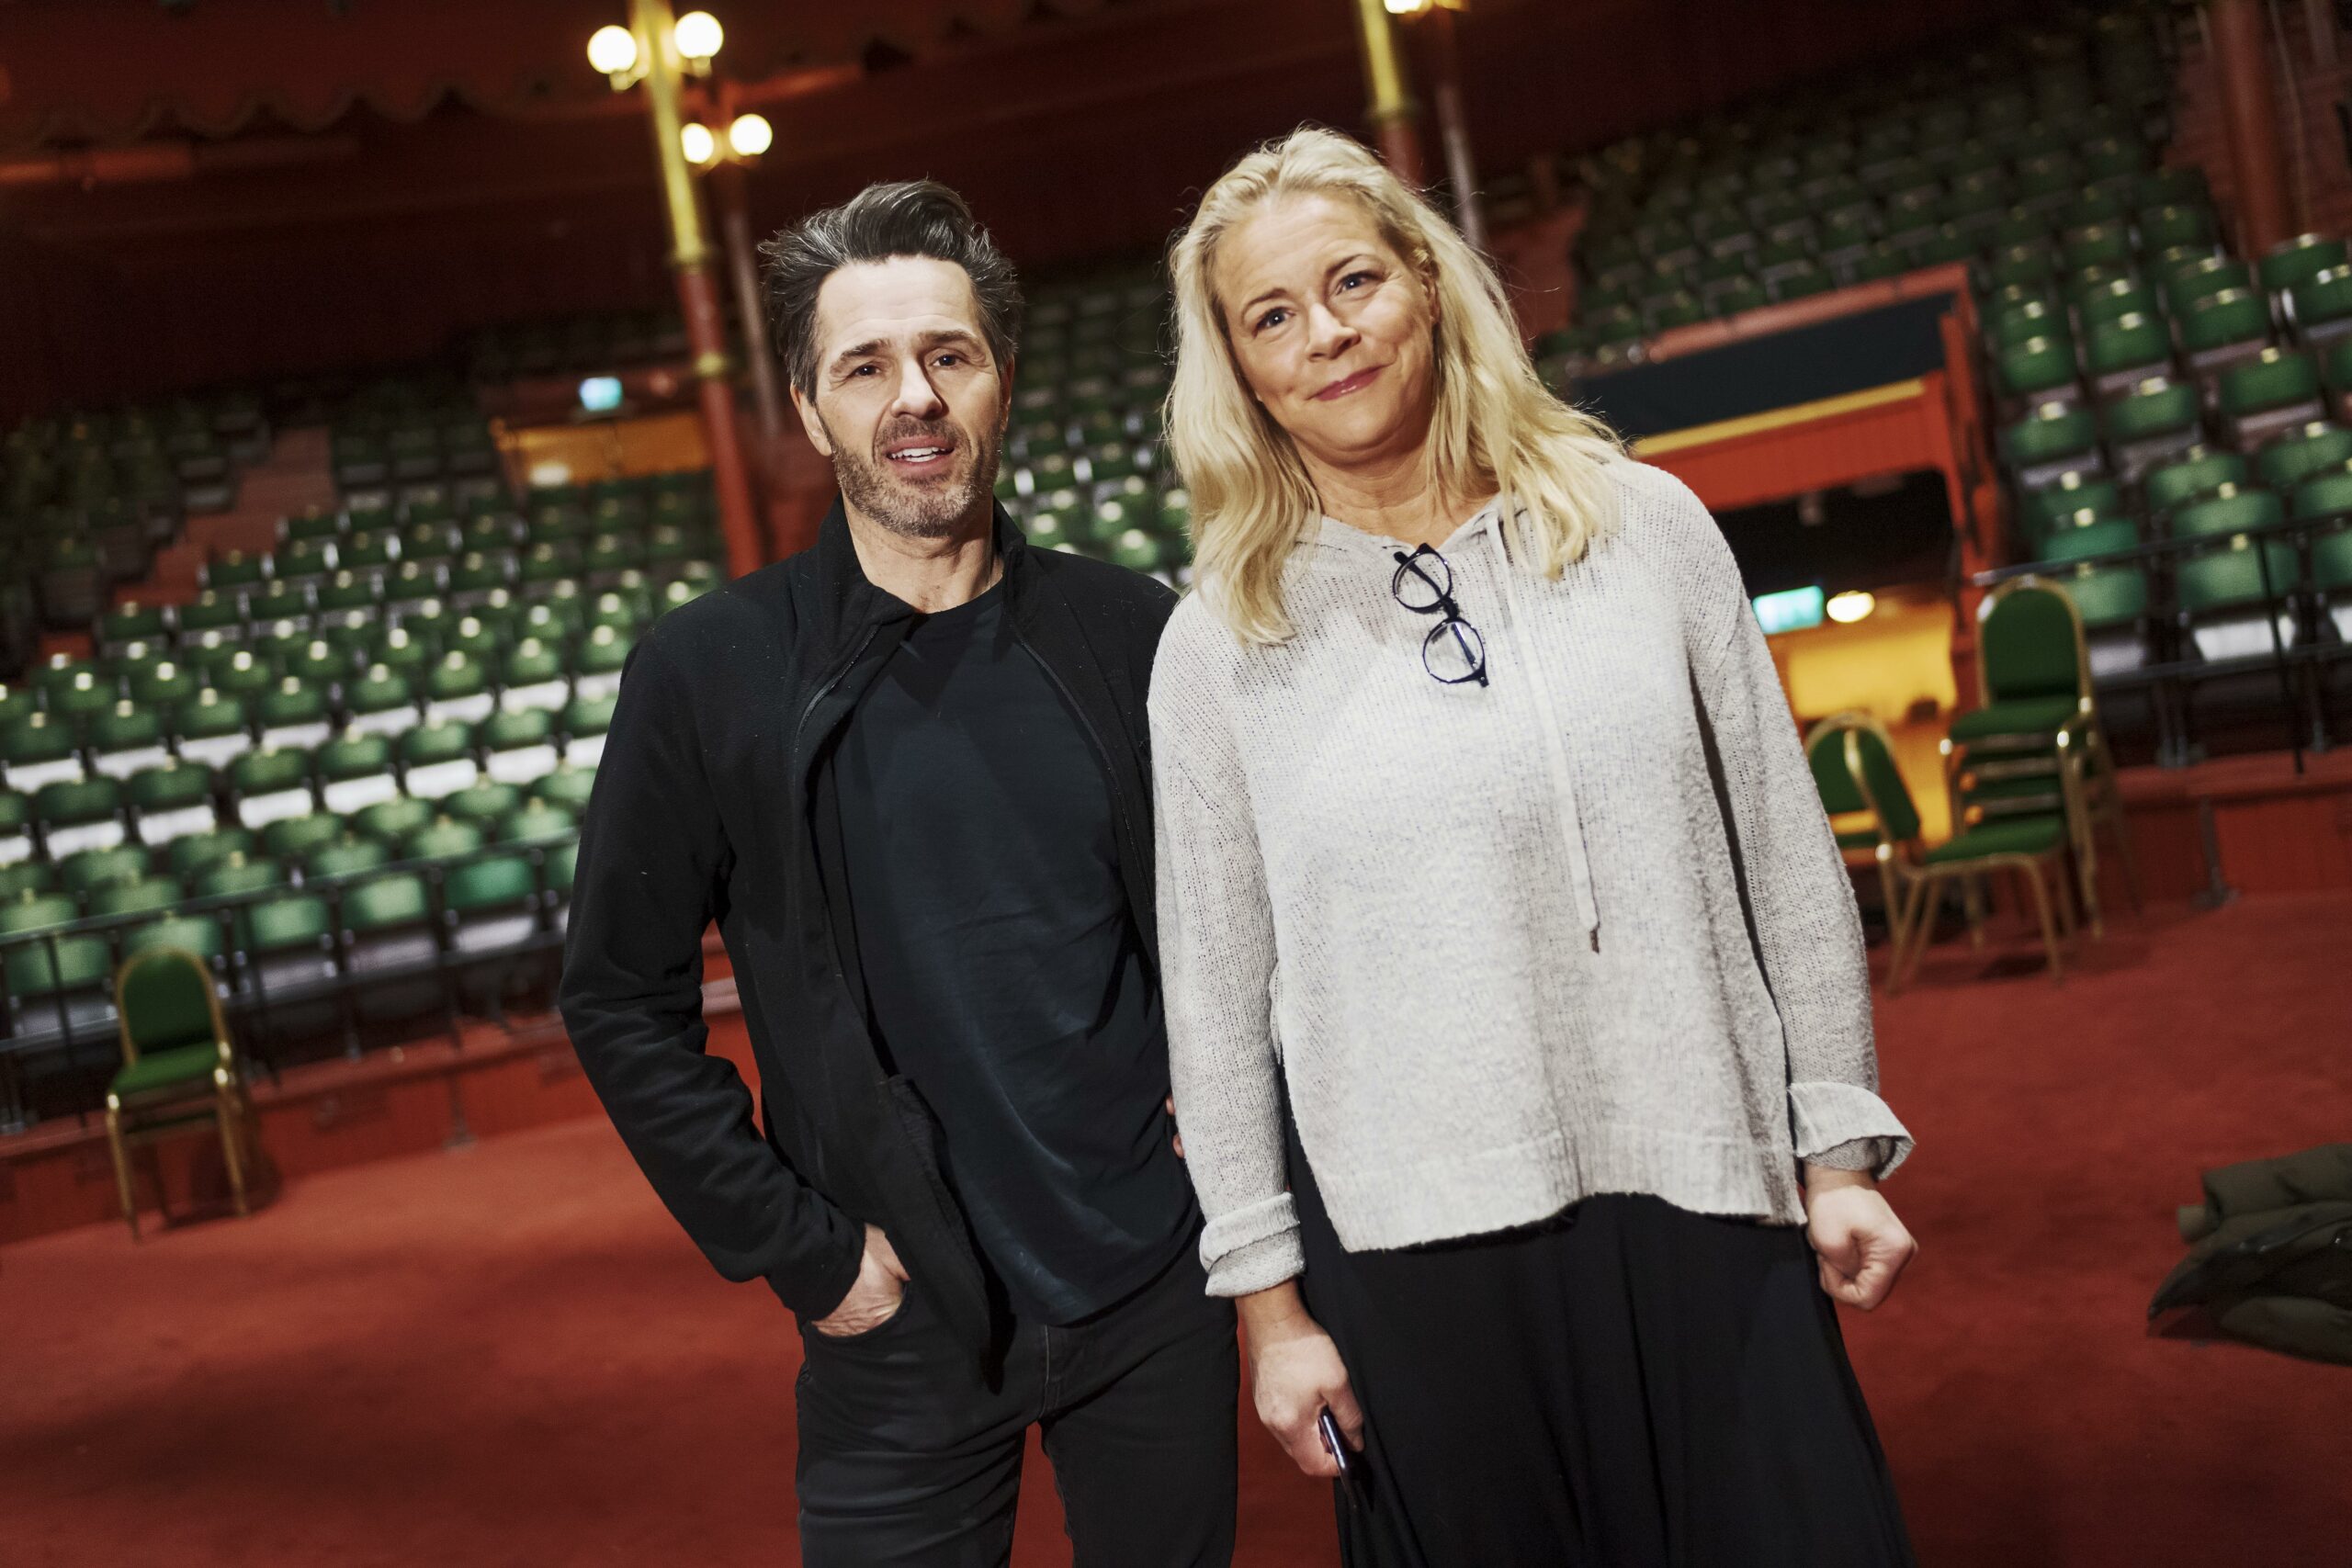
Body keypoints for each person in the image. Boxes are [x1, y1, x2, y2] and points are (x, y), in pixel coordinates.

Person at [1149, 127, 1920, 1566]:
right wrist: (1268, 1306)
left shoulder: (1646, 527)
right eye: (1272, 316)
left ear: (1429, 283)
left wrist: (1838, 1148)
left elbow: (1783, 849)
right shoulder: (1220, 645)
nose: (1327, 335)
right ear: (1240, 372)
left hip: (1704, 1185)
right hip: (1414, 1254)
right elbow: (1214, 1001)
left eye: (1354, 282)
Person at [560, 180, 1235, 1568]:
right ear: (811, 413)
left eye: (949, 355)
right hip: (894, 1326)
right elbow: (618, 998)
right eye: (864, 367)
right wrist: (804, 1253)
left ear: (1001, 382)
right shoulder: (709, 670)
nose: (913, 396)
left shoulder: (1131, 632)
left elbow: (1231, 934)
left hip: (1149, 1295)